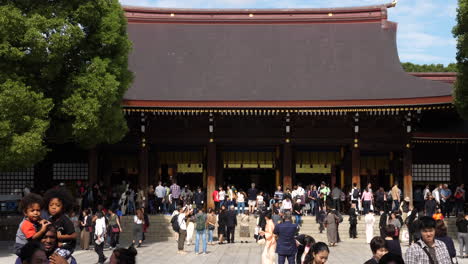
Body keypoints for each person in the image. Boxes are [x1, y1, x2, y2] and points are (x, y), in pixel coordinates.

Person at [43, 188, 77, 259]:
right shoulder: (50, 219)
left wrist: (61, 237)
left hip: (66, 247)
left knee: (55, 259)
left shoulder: (65, 220)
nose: (53, 207)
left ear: (63, 207)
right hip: (55, 247)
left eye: (57, 205)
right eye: (51, 205)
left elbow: (74, 235)